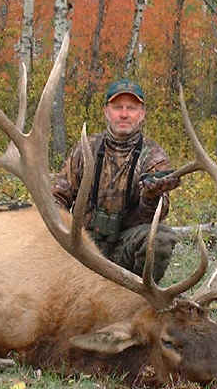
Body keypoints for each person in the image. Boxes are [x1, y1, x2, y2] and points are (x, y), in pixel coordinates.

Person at [52, 78, 180, 281]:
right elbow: (58, 196)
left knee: (161, 239)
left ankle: (138, 297)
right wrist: (62, 229)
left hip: (124, 248)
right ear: (106, 112)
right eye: (117, 107)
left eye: (131, 108)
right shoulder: (87, 148)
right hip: (83, 244)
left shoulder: (153, 156)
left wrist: (151, 197)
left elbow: (155, 215)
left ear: (142, 114)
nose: (124, 114)